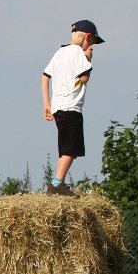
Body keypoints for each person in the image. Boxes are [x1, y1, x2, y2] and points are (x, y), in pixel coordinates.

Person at [41, 20, 104, 195]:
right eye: (92, 42)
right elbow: (84, 78)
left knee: (65, 147)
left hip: (58, 107)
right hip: (71, 107)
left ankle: (58, 182)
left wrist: (47, 103)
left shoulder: (60, 52)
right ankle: (56, 184)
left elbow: (45, 77)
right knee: (71, 148)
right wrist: (88, 58)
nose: (91, 46)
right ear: (88, 37)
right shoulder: (77, 52)